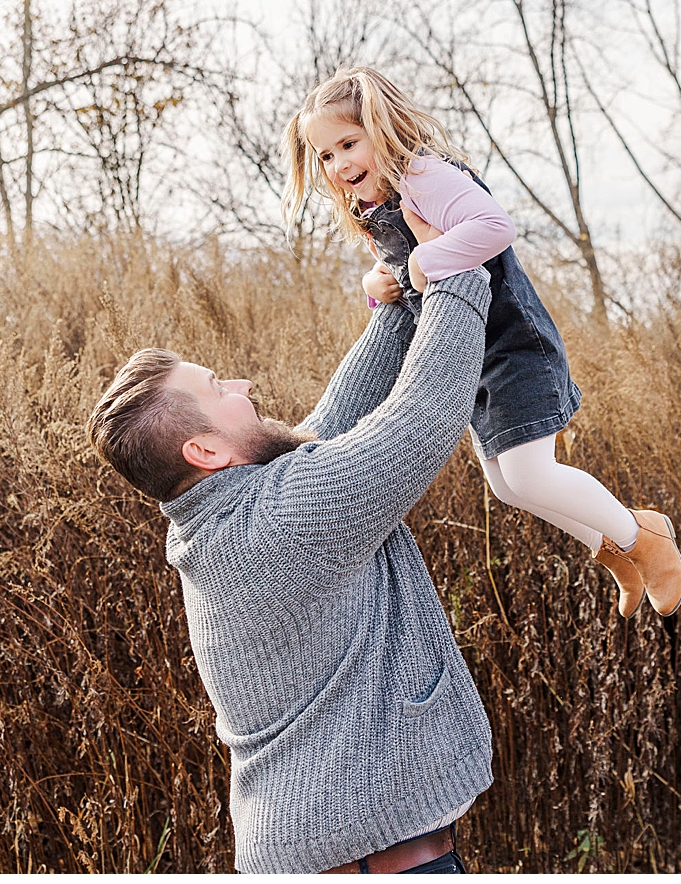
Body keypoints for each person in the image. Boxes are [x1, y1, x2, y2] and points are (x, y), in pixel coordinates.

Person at [88, 255, 499, 873]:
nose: (243, 386)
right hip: (379, 865)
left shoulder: (230, 517)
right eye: (218, 389)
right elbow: (421, 415)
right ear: (203, 450)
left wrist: (393, 309)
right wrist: (457, 270)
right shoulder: (281, 523)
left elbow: (329, 430)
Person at [287, 65, 681, 619]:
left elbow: (493, 227)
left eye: (349, 144)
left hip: (515, 346)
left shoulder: (425, 175)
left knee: (529, 473)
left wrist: (423, 261)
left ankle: (644, 538)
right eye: (325, 156)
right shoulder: (375, 207)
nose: (339, 164)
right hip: (475, 361)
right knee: (508, 486)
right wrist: (376, 284)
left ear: (384, 130)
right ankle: (611, 548)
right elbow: (406, 274)